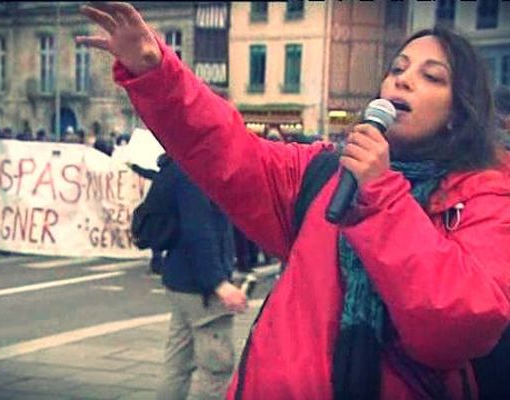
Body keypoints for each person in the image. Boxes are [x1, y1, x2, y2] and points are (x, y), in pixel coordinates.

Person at [77, 4, 510, 399]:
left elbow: (459, 326)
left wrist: (381, 194)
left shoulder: (486, 197)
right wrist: (158, 75)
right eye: (397, 68)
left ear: (459, 112)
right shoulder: (323, 174)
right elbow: (225, 148)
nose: (403, 78)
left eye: (431, 76)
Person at [153, 154, 246, 400]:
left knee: (176, 365)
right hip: (201, 289)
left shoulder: (174, 165)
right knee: (216, 369)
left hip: (180, 280)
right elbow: (199, 231)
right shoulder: (194, 172)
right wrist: (219, 284)